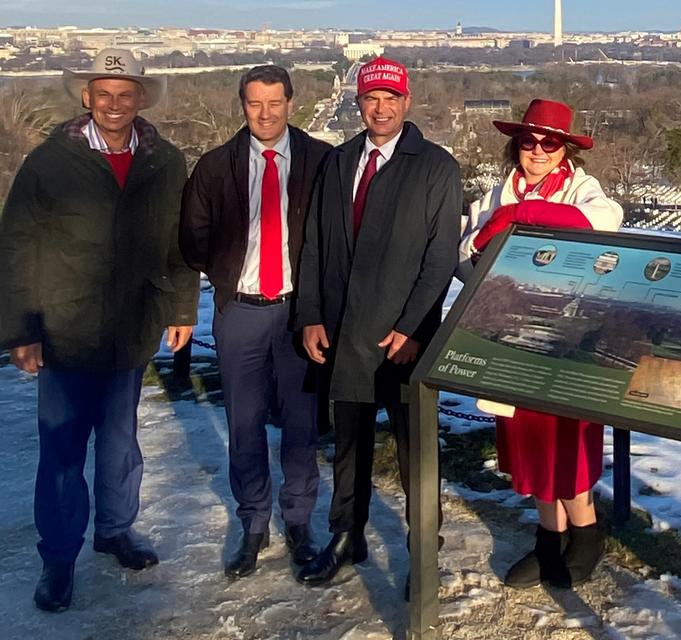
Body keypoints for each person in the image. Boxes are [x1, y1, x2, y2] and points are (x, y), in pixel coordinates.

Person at [0, 48, 198, 612]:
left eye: (125, 93)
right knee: (62, 451)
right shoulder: (50, 161)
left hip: (131, 326)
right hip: (64, 328)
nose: (114, 104)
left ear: (140, 98)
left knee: (119, 442)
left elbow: (176, 243)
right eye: (103, 93)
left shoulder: (165, 162)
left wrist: (182, 308)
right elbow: (16, 245)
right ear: (86, 97)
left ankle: (114, 530)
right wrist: (21, 328)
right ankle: (58, 558)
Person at [294, 57, 462, 594]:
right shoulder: (340, 162)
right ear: (358, 102)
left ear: (407, 102)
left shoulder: (435, 167)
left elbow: (440, 258)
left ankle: (423, 551)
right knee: (349, 443)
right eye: (372, 98)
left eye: (391, 98)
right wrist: (311, 315)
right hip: (344, 329)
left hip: (404, 339)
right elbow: (316, 243)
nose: (381, 107)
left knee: (415, 450)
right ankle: (346, 534)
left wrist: (413, 328)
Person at [458, 98, 623, 589]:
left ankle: (587, 533)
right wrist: (497, 222)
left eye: (548, 142)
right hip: (510, 336)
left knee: (565, 443)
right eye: (527, 141)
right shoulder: (497, 190)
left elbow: (601, 221)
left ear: (564, 148)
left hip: (568, 337)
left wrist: (521, 213)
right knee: (527, 441)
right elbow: (466, 254)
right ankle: (549, 535)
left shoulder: (581, 187)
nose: (536, 150)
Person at [180, 65, 333, 579]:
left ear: (291, 102)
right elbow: (193, 237)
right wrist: (227, 273)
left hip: (299, 313)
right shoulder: (216, 166)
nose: (264, 114)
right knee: (243, 424)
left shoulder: (320, 161)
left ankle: (299, 521)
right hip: (239, 310)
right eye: (254, 104)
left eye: (274, 103)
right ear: (241, 105)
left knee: (300, 423)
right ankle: (252, 523)